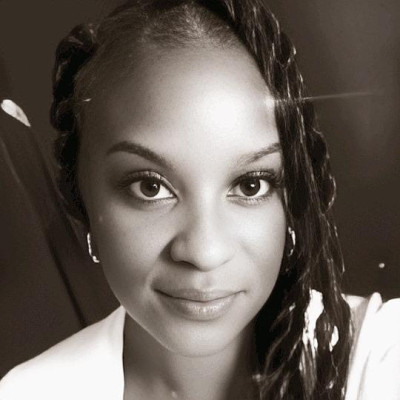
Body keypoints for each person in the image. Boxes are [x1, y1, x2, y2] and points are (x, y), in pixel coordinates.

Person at [0, 1, 399, 399]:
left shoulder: (381, 358)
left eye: (250, 185)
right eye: (150, 187)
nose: (204, 253)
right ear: (83, 202)